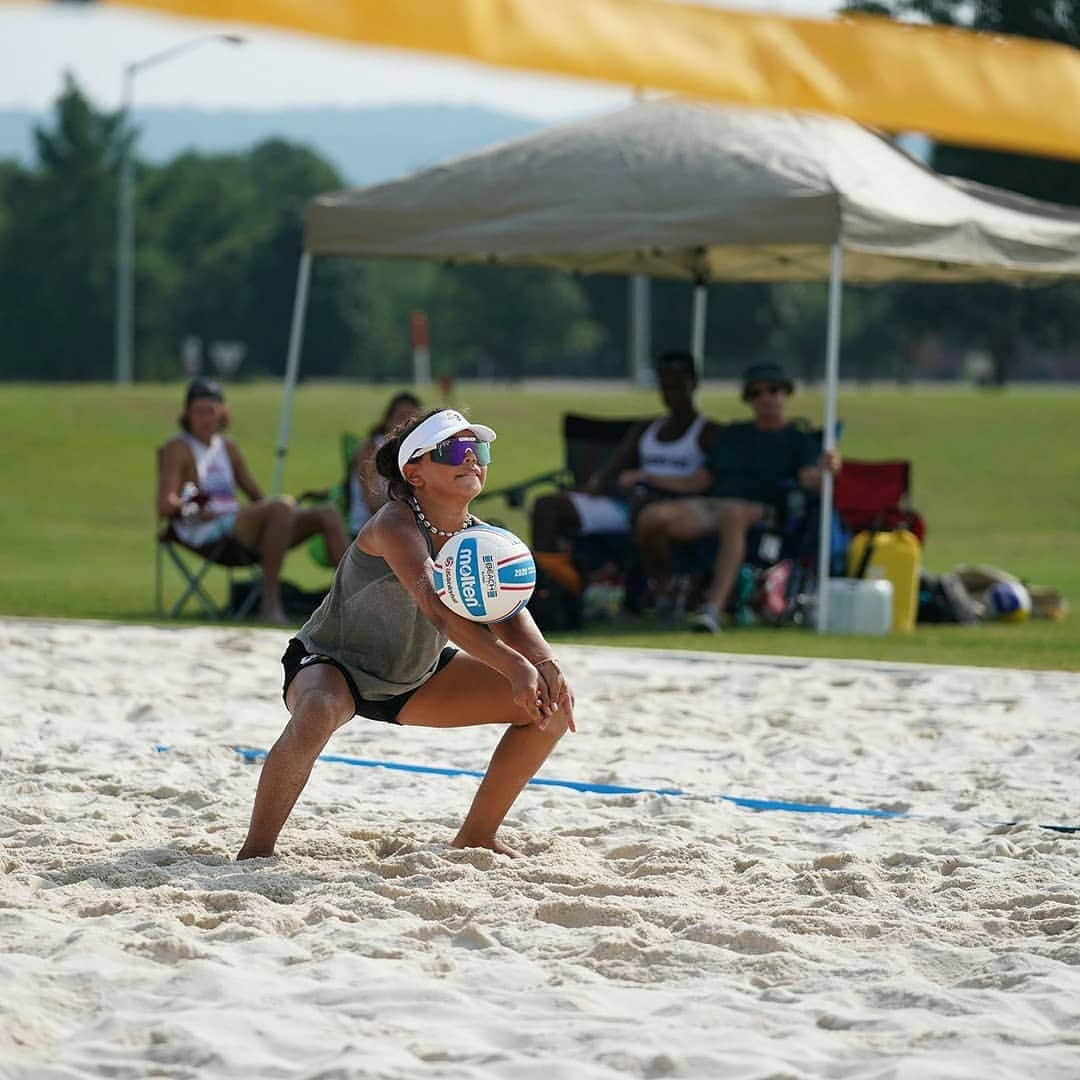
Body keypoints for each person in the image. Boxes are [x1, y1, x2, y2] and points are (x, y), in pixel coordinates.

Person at [237, 407, 576, 861]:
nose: (471, 458)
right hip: (333, 664)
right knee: (319, 710)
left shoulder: (485, 538)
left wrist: (544, 663)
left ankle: (477, 835)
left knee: (550, 708)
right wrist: (514, 664)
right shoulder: (394, 524)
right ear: (414, 472)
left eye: (477, 448)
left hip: (413, 679)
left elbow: (509, 613)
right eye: (454, 449)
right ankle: (256, 853)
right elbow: (439, 613)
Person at [636, 361, 842, 633]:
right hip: (714, 504)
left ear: (785, 394)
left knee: (734, 513)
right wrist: (647, 477)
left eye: (773, 390)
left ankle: (712, 609)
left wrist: (830, 468)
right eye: (757, 392)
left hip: (765, 511)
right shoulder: (733, 434)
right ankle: (665, 594)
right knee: (652, 518)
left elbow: (810, 480)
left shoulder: (798, 439)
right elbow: (699, 480)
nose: (765, 397)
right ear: (749, 399)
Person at [157, 378, 349, 626]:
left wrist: (293, 508)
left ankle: (351, 606)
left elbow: (257, 498)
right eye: (198, 411)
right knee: (280, 507)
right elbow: (164, 505)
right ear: (187, 414)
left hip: (240, 523)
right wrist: (196, 509)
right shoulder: (179, 447)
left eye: (211, 411)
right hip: (205, 529)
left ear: (222, 413)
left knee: (327, 514)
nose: (205, 418)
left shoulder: (227, 446)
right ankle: (270, 604)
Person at [529, 349, 718, 592]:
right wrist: (597, 486)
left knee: (648, 511)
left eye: (677, 383)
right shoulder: (647, 429)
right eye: (665, 384)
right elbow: (609, 472)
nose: (670, 392)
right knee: (547, 506)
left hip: (677, 509)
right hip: (629, 503)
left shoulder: (709, 432)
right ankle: (560, 588)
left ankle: (660, 589)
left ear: (693, 383)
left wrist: (651, 480)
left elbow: (707, 482)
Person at [347, 391, 422, 534]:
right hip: (368, 530)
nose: (407, 425)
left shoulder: (420, 452)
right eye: (401, 417)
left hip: (405, 526)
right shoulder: (371, 448)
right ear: (387, 421)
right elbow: (372, 502)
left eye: (414, 421)